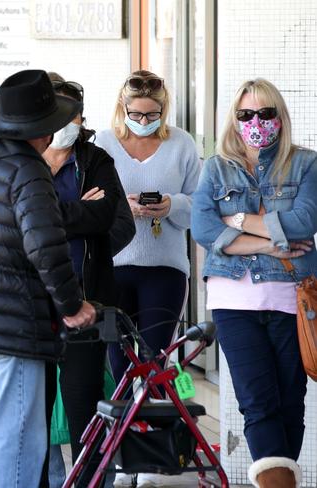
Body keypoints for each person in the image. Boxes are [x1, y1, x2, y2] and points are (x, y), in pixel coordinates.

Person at [0, 69, 97, 488]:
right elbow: (46, 247)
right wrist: (72, 305)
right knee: (19, 441)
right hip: (14, 320)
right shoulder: (27, 171)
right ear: (43, 131)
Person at [191, 78, 316, 488]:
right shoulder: (216, 166)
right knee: (257, 403)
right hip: (233, 299)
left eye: (265, 113)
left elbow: (305, 221)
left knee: (288, 402)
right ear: (234, 118)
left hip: (292, 297)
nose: (256, 122)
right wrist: (271, 242)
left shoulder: (306, 163)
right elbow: (202, 226)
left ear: (280, 117)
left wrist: (239, 222)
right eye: (246, 114)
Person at [43, 75, 135, 487]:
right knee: (34, 405)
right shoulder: (22, 161)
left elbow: (115, 222)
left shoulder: (95, 160)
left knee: (84, 400)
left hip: (86, 299)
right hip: (33, 302)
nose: (70, 122)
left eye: (75, 115)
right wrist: (77, 215)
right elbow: (16, 221)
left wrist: (58, 224)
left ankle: (91, 481)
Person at [95, 70, 201, 398]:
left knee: (156, 360)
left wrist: (171, 204)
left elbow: (200, 206)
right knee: (119, 359)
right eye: (136, 114)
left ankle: (157, 439)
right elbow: (89, 201)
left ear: (164, 109)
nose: (144, 120)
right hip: (112, 267)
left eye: (152, 114)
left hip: (165, 269)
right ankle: (123, 440)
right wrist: (120, 208)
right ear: (122, 107)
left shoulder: (181, 143)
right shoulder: (103, 142)